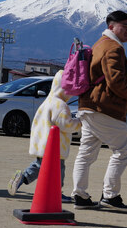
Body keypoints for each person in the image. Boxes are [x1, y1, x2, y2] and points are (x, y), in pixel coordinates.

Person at [70, 10, 127, 210]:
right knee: (123, 150)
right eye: (125, 27)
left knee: (86, 153)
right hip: (105, 108)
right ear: (111, 26)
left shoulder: (98, 44)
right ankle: (110, 195)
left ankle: (80, 195)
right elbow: (116, 82)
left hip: (87, 106)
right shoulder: (114, 48)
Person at [8, 71, 81, 201]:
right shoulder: (60, 105)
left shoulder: (48, 101)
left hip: (42, 143)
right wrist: (80, 122)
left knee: (39, 165)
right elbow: (67, 125)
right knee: (58, 170)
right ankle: (56, 192)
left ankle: (22, 177)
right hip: (54, 147)